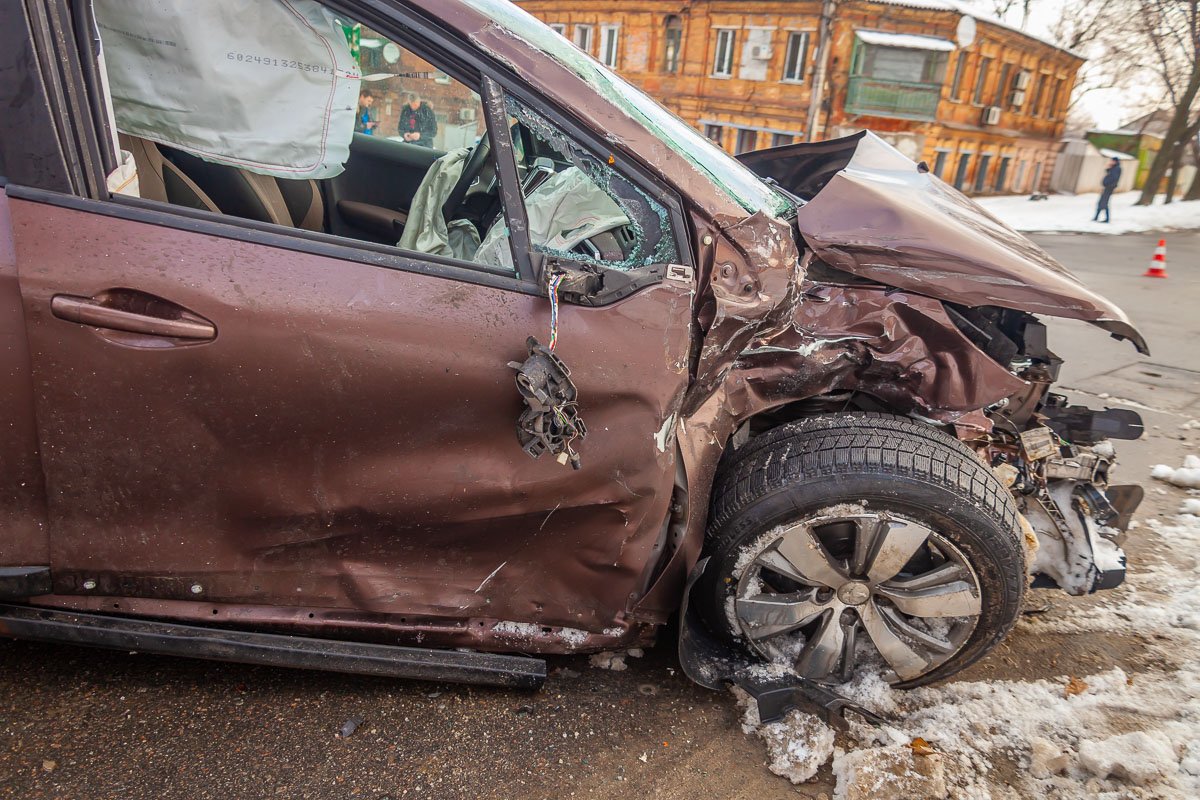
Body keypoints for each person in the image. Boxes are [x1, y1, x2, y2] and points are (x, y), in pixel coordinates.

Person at [1094, 157, 1121, 223]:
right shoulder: (1114, 168)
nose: (1110, 162)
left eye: (1112, 161)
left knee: (1104, 202)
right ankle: (1097, 217)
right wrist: (1109, 168)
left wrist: (1107, 184)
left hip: (1109, 188)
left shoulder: (1117, 168)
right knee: (1102, 202)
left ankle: (1106, 219)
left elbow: (1113, 177)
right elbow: (1110, 173)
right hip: (1107, 187)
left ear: (1115, 161)